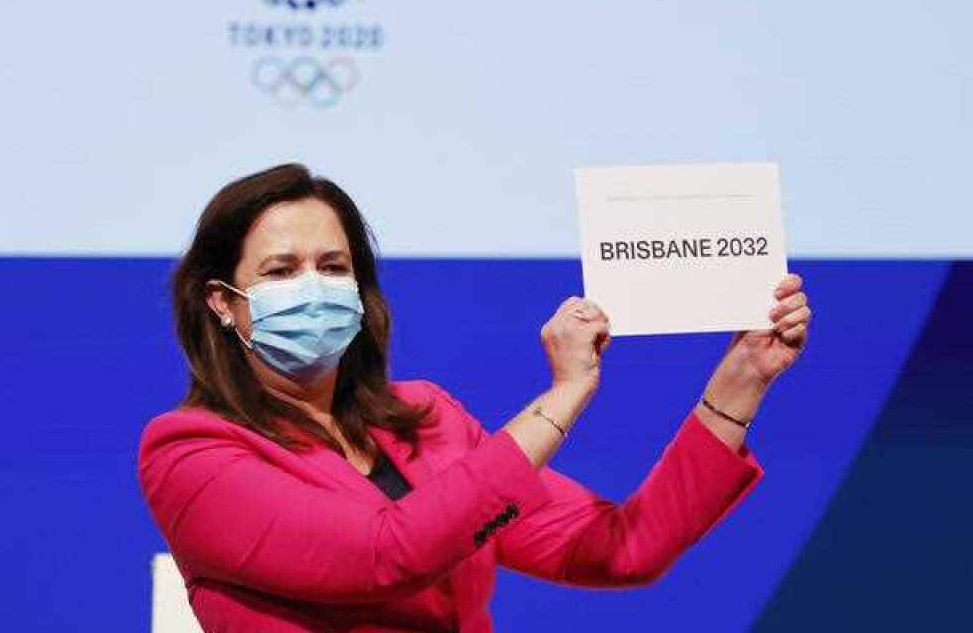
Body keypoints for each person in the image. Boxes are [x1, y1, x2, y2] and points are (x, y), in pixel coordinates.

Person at [138, 163, 812, 632]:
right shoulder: (191, 453)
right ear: (223, 304)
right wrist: (566, 393)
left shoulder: (426, 419)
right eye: (282, 271)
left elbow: (618, 548)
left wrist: (743, 378)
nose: (313, 286)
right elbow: (386, 554)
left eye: (333, 267)